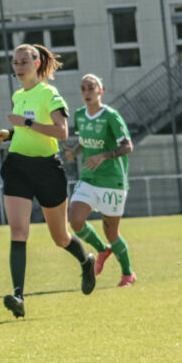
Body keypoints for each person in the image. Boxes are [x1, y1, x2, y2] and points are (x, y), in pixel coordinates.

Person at [0, 44, 96, 318]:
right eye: (15, 62)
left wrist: (24, 124)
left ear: (37, 64)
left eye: (24, 61)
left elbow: (61, 133)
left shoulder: (50, 94)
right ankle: (18, 296)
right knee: (18, 232)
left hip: (47, 169)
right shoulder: (17, 95)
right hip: (17, 167)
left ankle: (86, 262)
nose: (19, 66)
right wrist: (10, 134)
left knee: (60, 238)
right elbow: (27, 129)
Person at [63, 74, 136, 288]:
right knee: (75, 221)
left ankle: (127, 274)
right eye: (83, 88)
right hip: (89, 177)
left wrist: (103, 156)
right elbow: (85, 142)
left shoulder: (111, 116)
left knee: (111, 232)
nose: (87, 92)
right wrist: (74, 152)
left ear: (100, 91)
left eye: (91, 88)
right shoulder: (79, 115)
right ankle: (102, 250)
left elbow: (128, 146)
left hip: (113, 180)